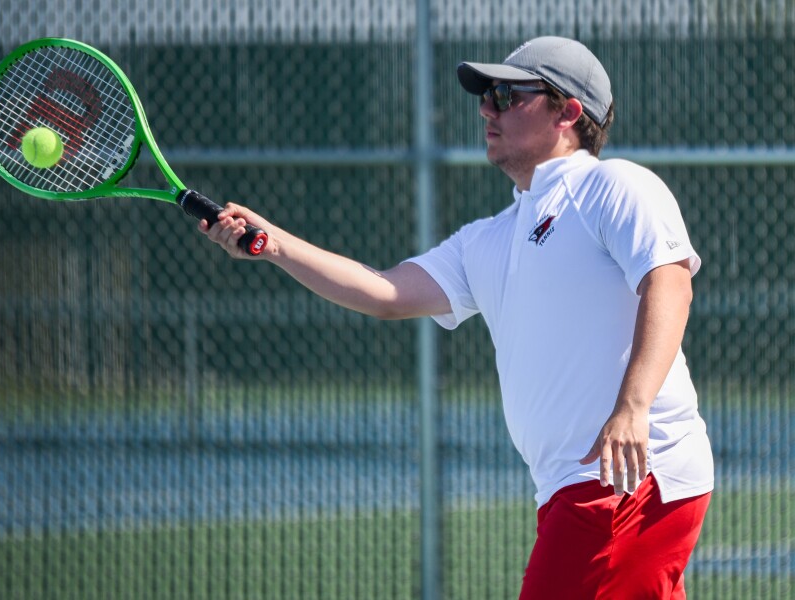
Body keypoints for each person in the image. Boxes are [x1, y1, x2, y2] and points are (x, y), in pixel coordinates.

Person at [200, 36, 714, 599]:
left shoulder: (613, 185)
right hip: (577, 487)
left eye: (506, 95)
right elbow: (386, 293)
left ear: (568, 111)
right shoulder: (488, 238)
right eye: (486, 95)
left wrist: (633, 408)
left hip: (628, 480)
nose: (486, 108)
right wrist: (273, 244)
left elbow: (668, 281)